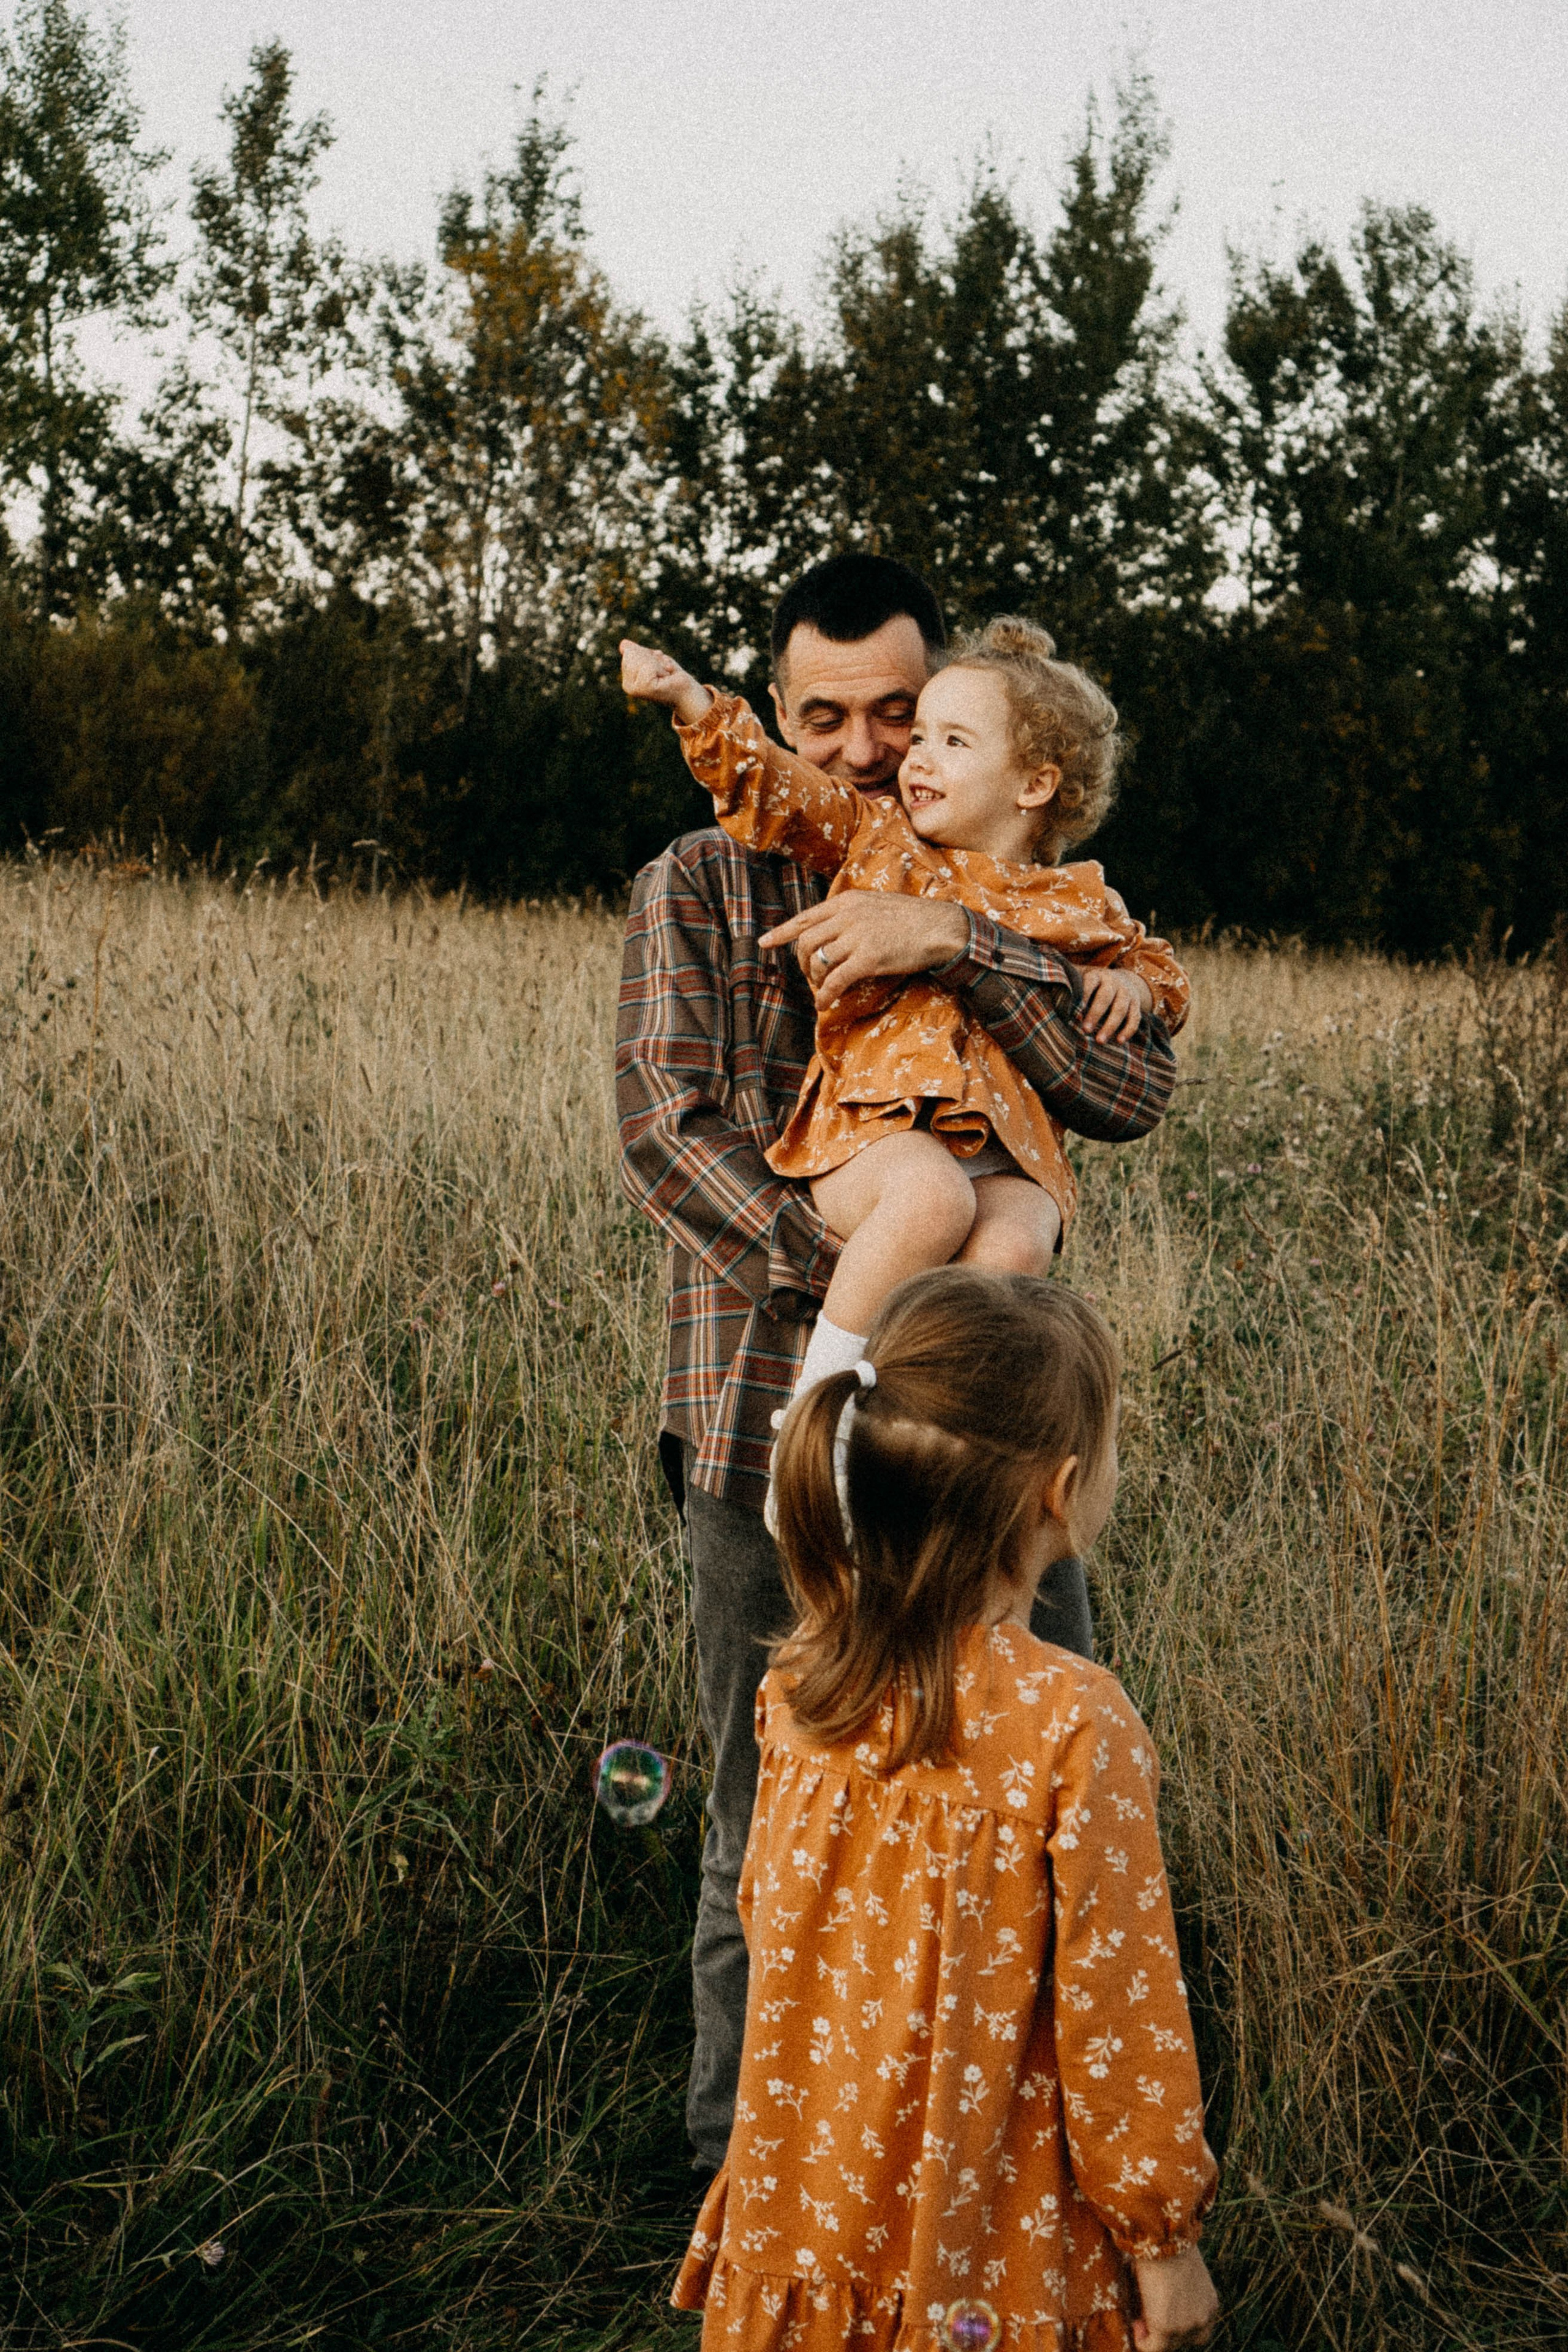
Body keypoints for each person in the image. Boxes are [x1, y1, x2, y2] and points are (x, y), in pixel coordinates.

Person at [615, 554, 1182, 2179]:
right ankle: (745, 2177)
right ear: (778, 711)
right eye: (827, 718)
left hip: (987, 1453)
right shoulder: (702, 880)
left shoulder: (1004, 891)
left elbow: (1129, 1092)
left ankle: (1014, 2170)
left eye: (903, 715)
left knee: (1033, 1791)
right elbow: (670, 1133)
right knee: (763, 1812)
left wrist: (957, 939)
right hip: (763, 1424)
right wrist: (886, 1281)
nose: (869, 751)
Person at [671, 1267, 1221, 2352]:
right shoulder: (1075, 1724)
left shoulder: (804, 1685)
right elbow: (1121, 2013)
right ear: (1063, 1489)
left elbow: (776, 1933)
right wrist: (1164, 2243)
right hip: (987, 2229)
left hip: (808, 2203)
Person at [619, 614, 1188, 1403]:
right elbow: (776, 784)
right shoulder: (877, 839)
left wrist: (1130, 983)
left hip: (1007, 1153)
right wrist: (690, 700)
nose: (902, 757)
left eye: (928, 731)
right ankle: (821, 1410)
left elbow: (1145, 1042)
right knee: (930, 1201)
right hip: (868, 1152)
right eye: (920, 737)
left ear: (1033, 785)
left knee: (1021, 1243)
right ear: (783, 713)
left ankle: (936, 1423)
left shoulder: (1079, 901)